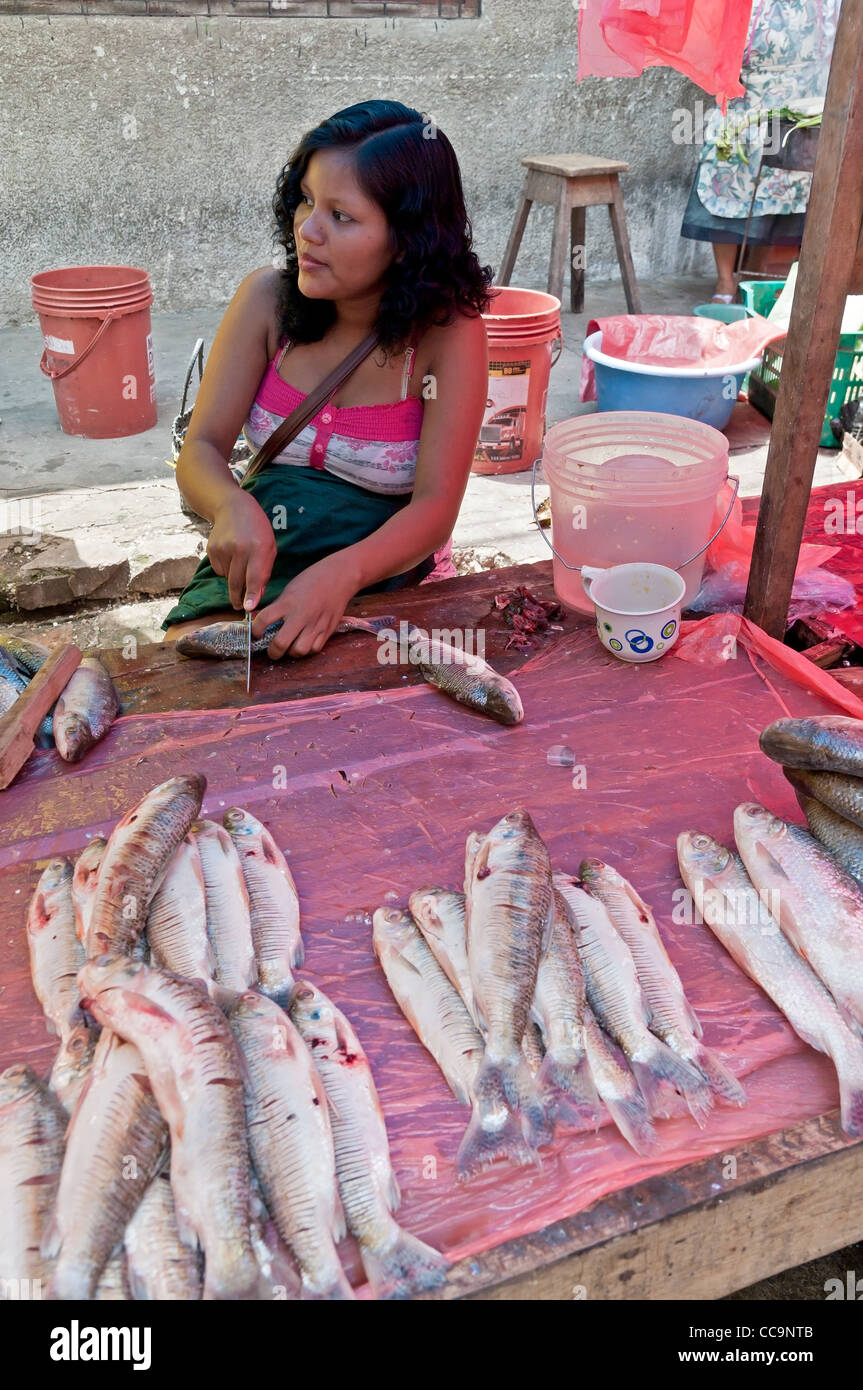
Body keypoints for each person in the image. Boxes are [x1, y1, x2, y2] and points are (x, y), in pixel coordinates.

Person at [163, 100, 492, 659]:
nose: (307, 230)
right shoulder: (265, 300)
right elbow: (202, 447)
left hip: (384, 573)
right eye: (308, 201)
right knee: (187, 684)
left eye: (342, 216)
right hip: (256, 568)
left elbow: (435, 509)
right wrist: (229, 505)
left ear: (407, 239)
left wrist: (342, 575)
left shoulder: (448, 334)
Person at [680, 0, 841, 303]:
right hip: (747, 99)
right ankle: (726, 281)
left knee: (783, 191)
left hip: (799, 102)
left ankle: (754, 275)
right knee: (726, 179)